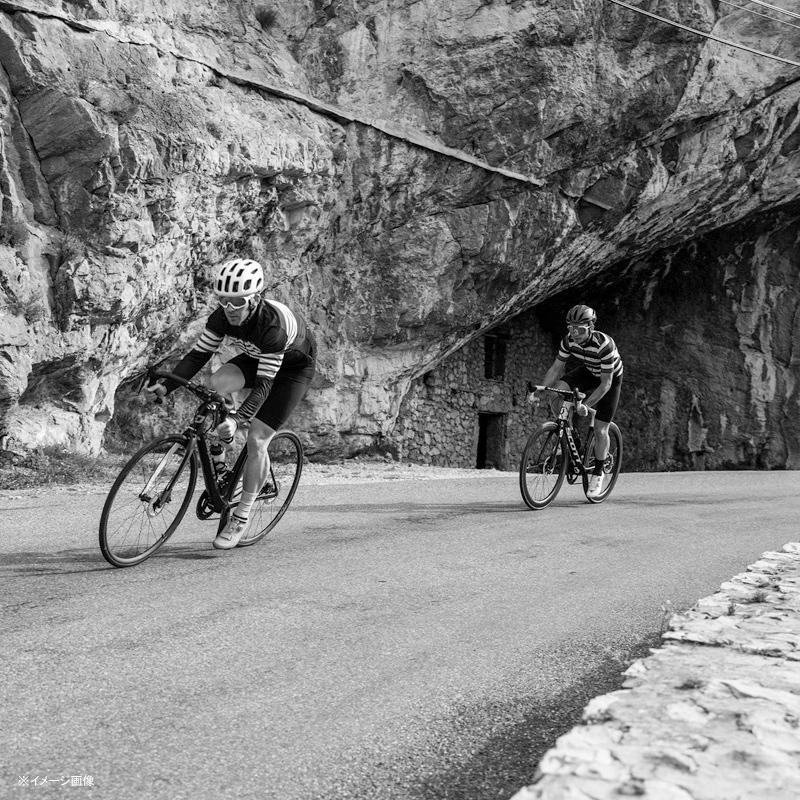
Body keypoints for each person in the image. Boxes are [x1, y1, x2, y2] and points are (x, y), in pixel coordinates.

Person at [146, 258, 315, 549]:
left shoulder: (271, 326)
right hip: (256, 358)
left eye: (238, 302)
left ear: (256, 298)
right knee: (217, 382)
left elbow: (264, 385)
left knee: (257, 439)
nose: (230, 309)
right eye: (224, 301)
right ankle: (223, 449)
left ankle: (242, 514)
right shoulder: (221, 317)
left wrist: (239, 421)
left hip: (290, 371)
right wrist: (166, 386)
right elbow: (198, 357)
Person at [528, 304, 623, 499]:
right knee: (556, 391)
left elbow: (605, 384)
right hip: (588, 371)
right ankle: (568, 430)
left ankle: (598, 472)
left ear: (590, 327)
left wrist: (585, 405)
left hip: (610, 379)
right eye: (571, 328)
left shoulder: (604, 345)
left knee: (599, 429)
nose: (575, 333)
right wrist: (540, 390)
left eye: (579, 329)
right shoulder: (568, 341)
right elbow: (556, 369)